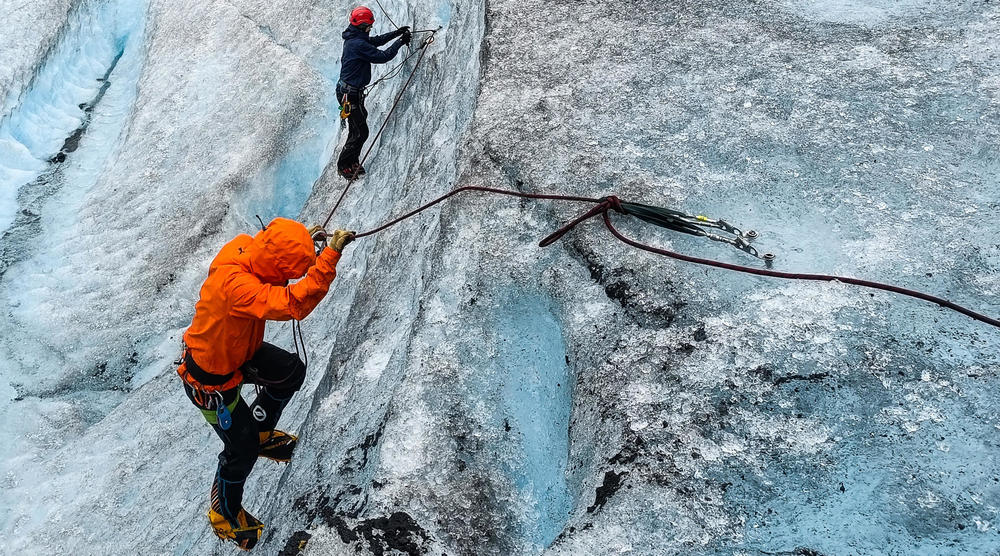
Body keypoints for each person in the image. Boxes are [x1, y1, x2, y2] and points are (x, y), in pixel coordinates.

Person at [176, 217, 354, 550]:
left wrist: (306, 242)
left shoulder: (245, 247)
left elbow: (277, 252)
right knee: (240, 452)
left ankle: (259, 432)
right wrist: (327, 257)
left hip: (237, 351)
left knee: (290, 373)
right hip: (210, 382)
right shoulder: (238, 286)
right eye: (287, 271)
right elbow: (292, 303)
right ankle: (225, 516)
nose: (288, 277)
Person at [336, 5, 411, 180]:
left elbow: (375, 41)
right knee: (361, 131)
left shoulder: (356, 37)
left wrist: (396, 33)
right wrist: (400, 42)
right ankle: (344, 166)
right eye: (369, 25)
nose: (371, 28)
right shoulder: (357, 44)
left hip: (350, 92)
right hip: (350, 94)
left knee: (357, 129)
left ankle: (352, 161)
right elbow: (382, 56)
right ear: (362, 26)